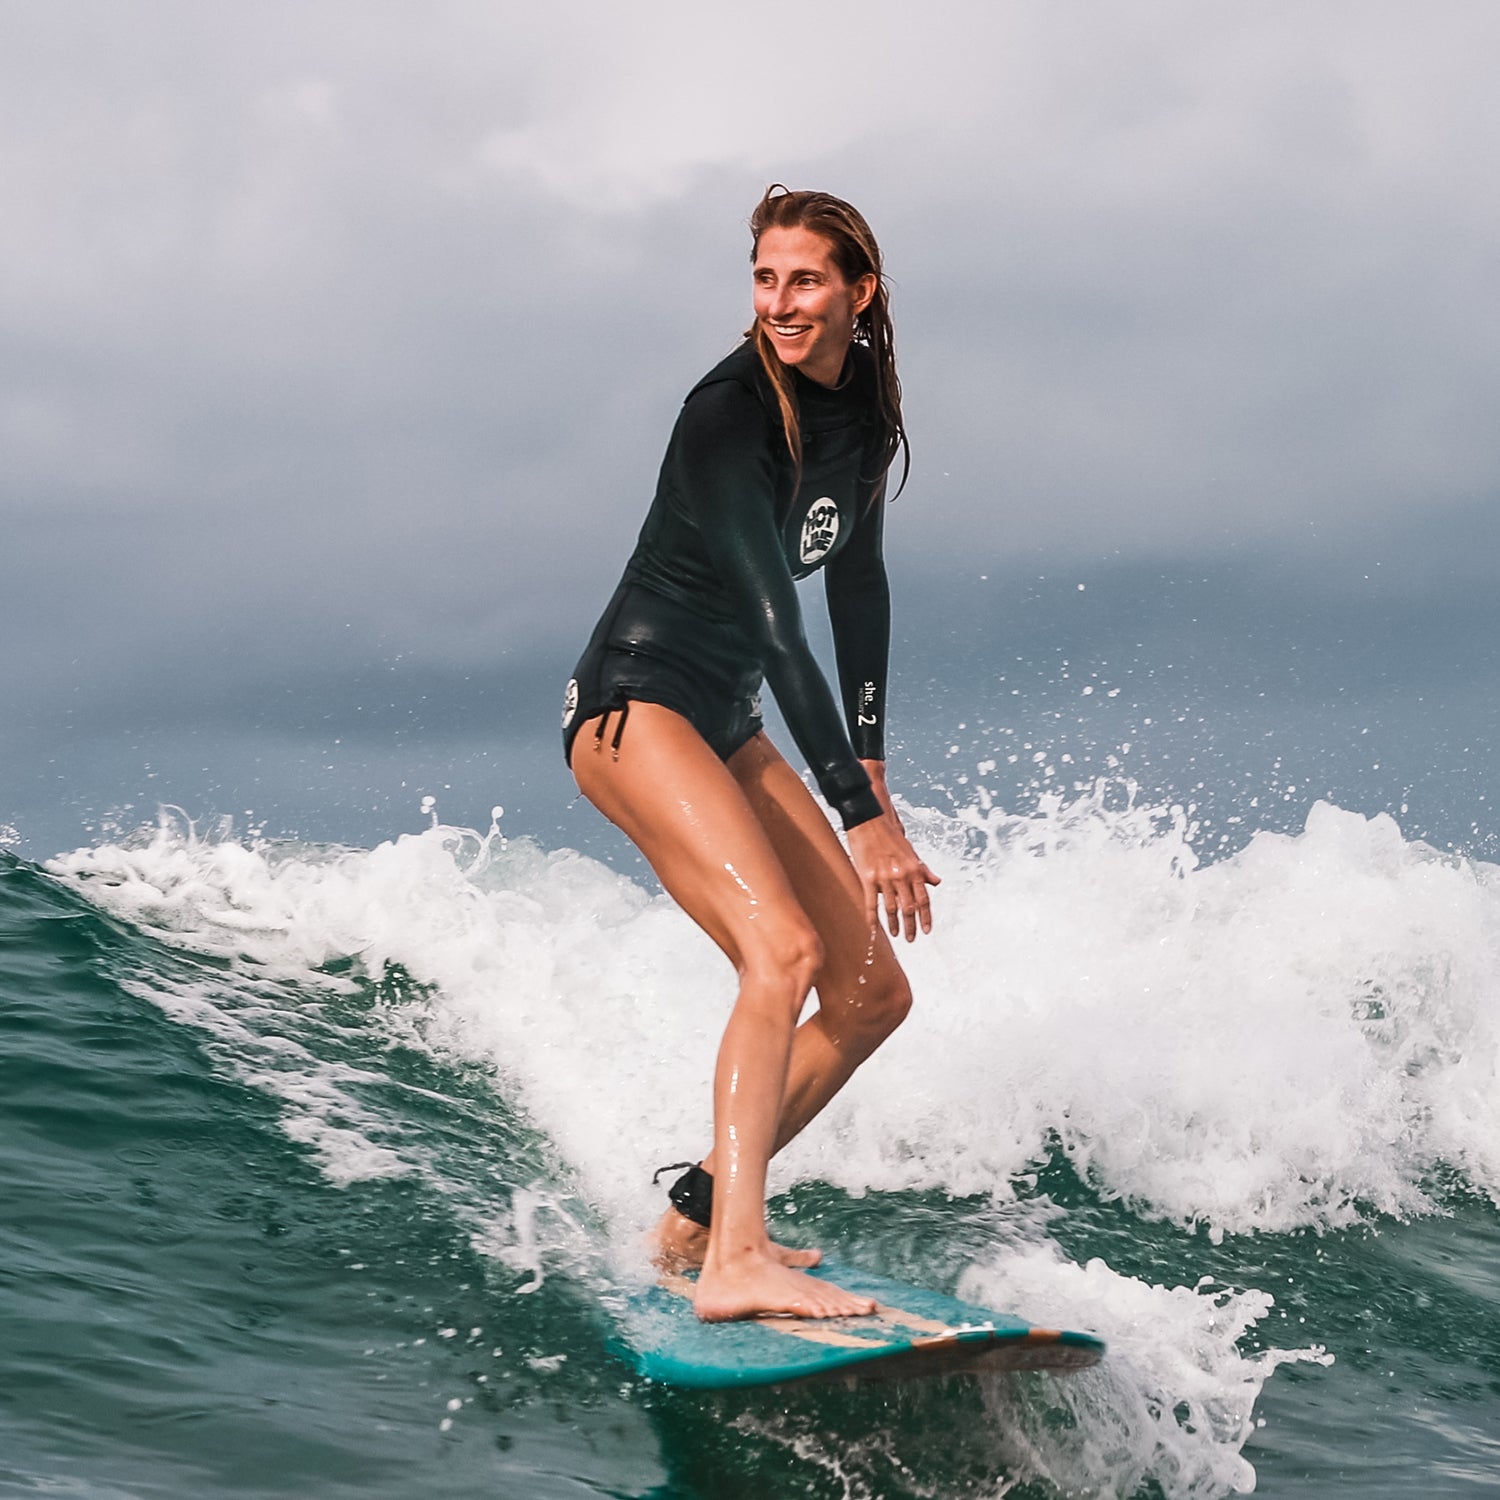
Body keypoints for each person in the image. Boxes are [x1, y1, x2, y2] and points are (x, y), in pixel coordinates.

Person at [564, 185, 939, 1323]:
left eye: (805, 280)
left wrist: (868, 762)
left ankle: (694, 1220)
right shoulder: (727, 412)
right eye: (766, 279)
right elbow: (781, 628)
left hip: (723, 721)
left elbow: (858, 581)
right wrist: (858, 816)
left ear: (858, 293)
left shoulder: (864, 413)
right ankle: (736, 1261)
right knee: (779, 951)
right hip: (636, 708)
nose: (779, 302)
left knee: (872, 992)